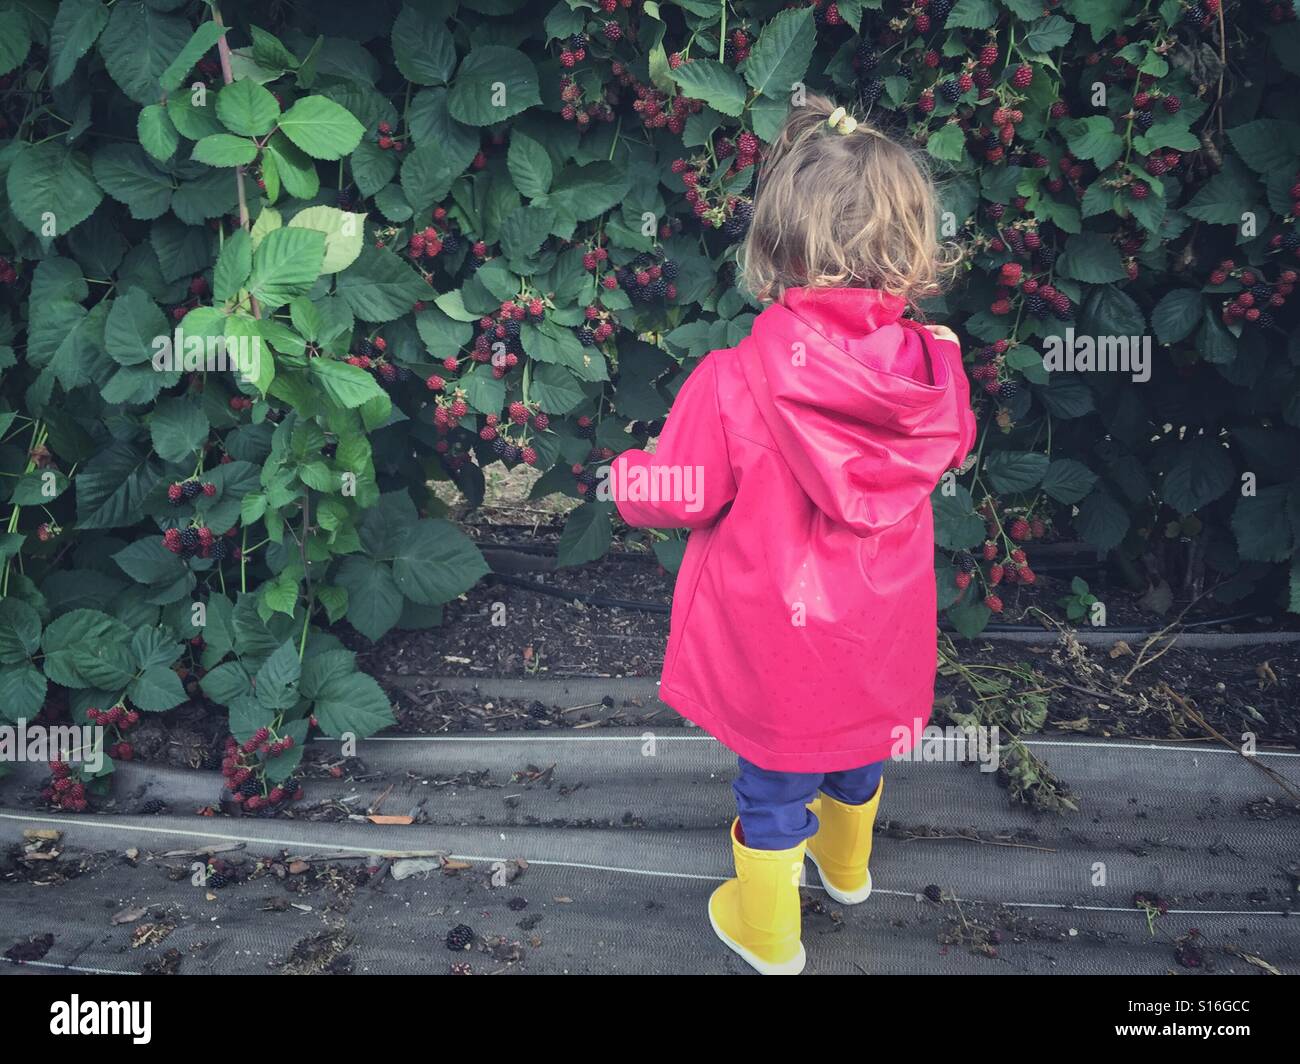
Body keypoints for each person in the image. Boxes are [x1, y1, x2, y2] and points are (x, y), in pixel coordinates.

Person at [609, 96, 976, 974]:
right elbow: (948, 445)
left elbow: (679, 492)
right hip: (879, 635)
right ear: (914, 249)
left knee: (774, 781)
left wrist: (626, 475)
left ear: (774, 249)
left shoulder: (734, 380)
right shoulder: (930, 372)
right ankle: (846, 865)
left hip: (778, 640)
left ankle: (768, 931)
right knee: (859, 751)